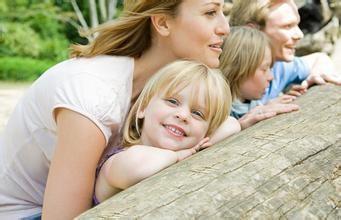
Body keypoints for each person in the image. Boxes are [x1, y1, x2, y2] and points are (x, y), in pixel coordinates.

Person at [0, 0, 231, 219]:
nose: (225, 28)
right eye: (210, 12)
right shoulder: (94, 96)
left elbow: (226, 125)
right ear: (162, 22)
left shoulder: (163, 94)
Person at [93, 60, 239, 204]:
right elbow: (136, 166)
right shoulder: (117, 161)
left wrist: (198, 143)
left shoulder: (188, 149)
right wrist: (178, 155)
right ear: (143, 107)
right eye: (173, 102)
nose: (183, 115)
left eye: (197, 113)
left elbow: (232, 124)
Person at [229, 0, 341, 129]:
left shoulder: (278, 67)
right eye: (287, 26)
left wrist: (316, 76)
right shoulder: (215, 83)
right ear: (252, 30)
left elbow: (320, 59)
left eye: (297, 25)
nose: (300, 35)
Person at [220, 26, 299, 124]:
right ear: (238, 69)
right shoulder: (217, 113)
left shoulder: (249, 103)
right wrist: (239, 126)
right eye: (264, 69)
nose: (271, 77)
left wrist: (265, 106)